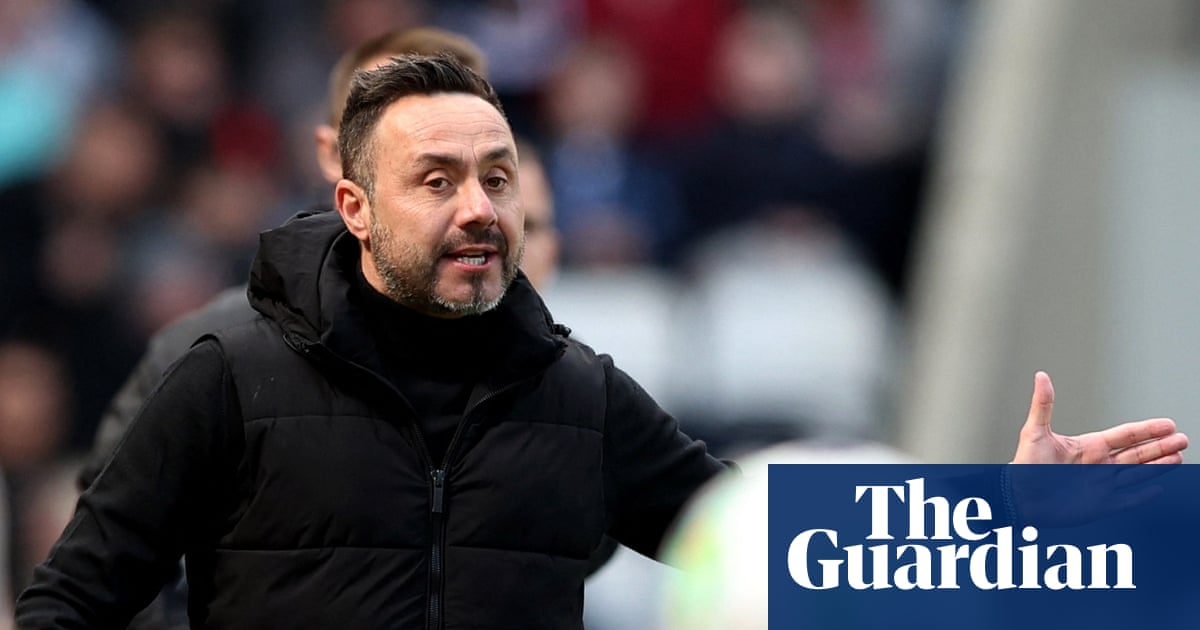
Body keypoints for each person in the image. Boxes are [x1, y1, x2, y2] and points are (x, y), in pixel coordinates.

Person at [16, 56, 1186, 629]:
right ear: (355, 208)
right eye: (437, 180)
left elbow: (765, 539)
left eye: (497, 178)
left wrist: (1002, 515)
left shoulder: (575, 393)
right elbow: (78, 603)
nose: (480, 207)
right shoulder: (229, 374)